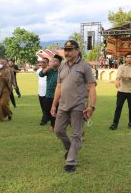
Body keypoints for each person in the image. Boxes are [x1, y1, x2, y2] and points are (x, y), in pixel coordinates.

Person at [51, 40, 97, 173]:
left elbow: (92, 87)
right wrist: (54, 104)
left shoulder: (85, 66)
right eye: (66, 50)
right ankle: (72, 148)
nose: (67, 52)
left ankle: (71, 161)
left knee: (76, 134)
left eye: (70, 49)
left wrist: (92, 106)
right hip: (63, 105)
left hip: (79, 106)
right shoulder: (62, 66)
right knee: (58, 130)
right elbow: (59, 86)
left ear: (78, 51)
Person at [109, 52, 131, 130]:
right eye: (127, 57)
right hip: (121, 91)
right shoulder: (121, 66)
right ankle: (114, 124)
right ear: (125, 58)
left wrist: (125, 76)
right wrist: (118, 79)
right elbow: (119, 75)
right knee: (118, 107)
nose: (129, 58)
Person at [39, 54, 63, 132]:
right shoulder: (50, 70)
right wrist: (49, 66)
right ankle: (58, 123)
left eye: (55, 61)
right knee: (47, 110)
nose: (53, 62)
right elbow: (41, 74)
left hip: (57, 96)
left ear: (59, 63)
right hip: (48, 95)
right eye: (52, 61)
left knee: (54, 111)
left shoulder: (61, 71)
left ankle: (53, 127)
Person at [36, 58, 47, 125]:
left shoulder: (50, 70)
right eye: (41, 62)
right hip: (40, 92)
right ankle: (46, 117)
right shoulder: (38, 71)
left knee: (46, 107)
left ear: (47, 63)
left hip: (47, 93)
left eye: (44, 62)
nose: (42, 63)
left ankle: (44, 120)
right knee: (42, 107)